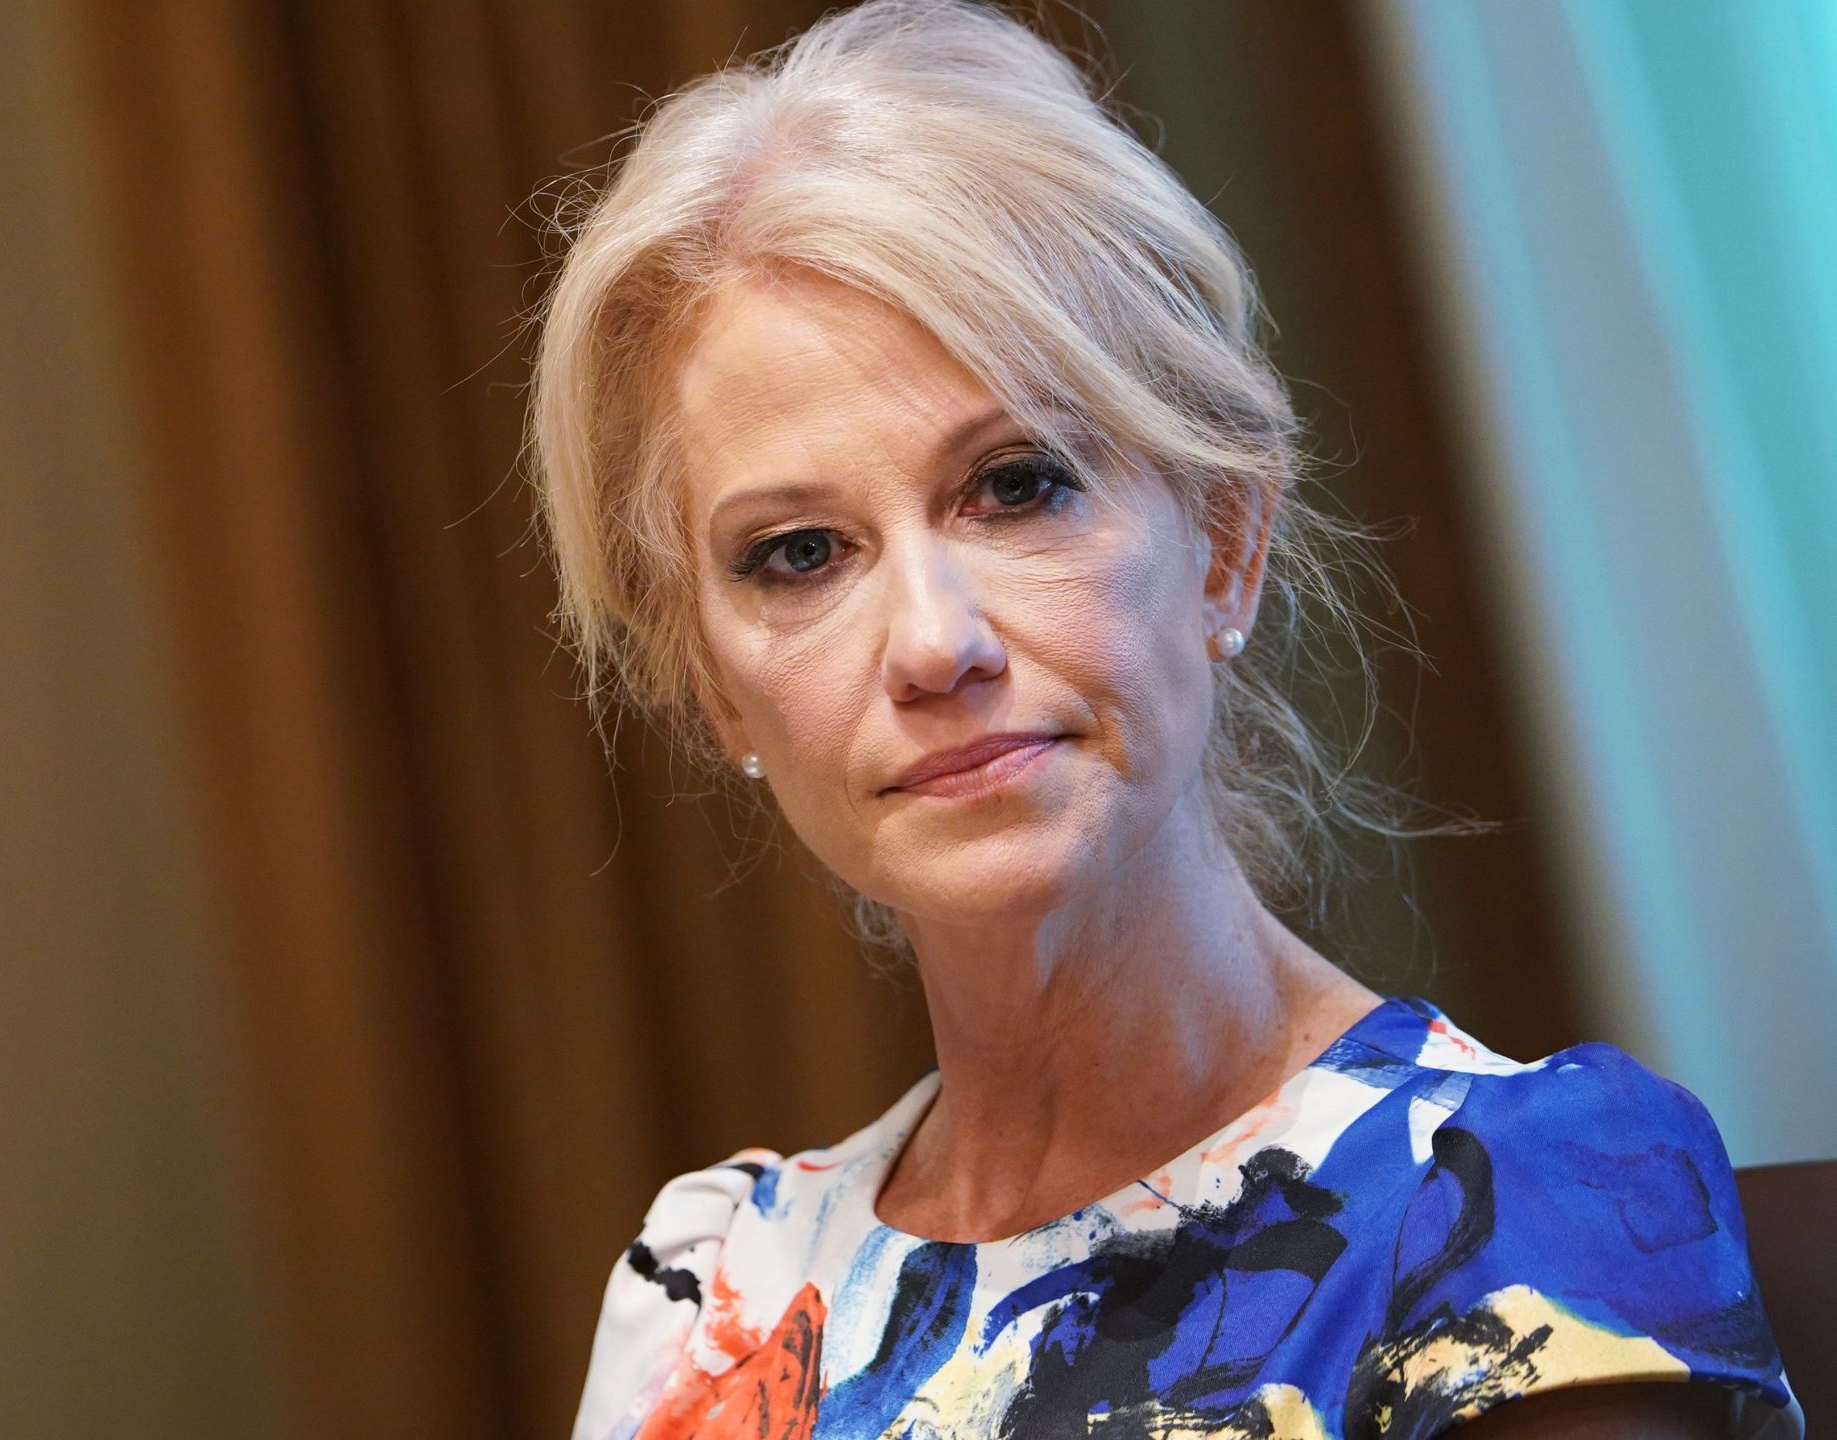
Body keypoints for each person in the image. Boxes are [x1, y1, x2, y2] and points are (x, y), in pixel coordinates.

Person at [524, 2, 1802, 1436]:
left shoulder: (1524, 1201)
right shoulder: (711, 1286)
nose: (935, 643)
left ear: (1224, 543)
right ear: (712, 688)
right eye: (801, 554)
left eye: (1015, 484)